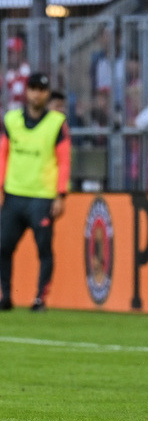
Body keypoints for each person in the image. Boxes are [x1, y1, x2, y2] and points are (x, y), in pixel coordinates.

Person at [0, 72, 70, 311]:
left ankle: (40, 298)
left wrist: (61, 194)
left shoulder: (56, 124)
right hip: (14, 193)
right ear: (26, 91)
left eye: (41, 89)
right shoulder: (11, 120)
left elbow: (64, 161)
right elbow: (3, 153)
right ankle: (6, 296)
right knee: (3, 247)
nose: (36, 94)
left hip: (42, 197)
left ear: (47, 93)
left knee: (43, 249)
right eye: (32, 88)